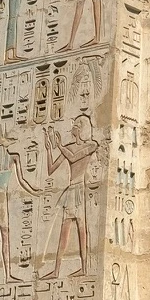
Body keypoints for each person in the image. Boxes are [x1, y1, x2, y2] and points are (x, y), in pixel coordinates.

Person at [41, 115, 98, 278]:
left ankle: (84, 268)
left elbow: (74, 157)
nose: (73, 126)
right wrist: (48, 149)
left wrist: (59, 145)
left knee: (82, 229)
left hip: (80, 188)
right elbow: (51, 168)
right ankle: (57, 270)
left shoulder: (91, 145)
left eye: (76, 124)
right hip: (71, 190)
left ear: (81, 128)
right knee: (64, 232)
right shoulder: (68, 147)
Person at [0, 136, 38, 283]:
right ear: (0, 143)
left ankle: (8, 275)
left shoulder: (14, 158)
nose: (10, 140)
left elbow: (21, 180)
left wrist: (34, 191)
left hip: (3, 198)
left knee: (5, 235)